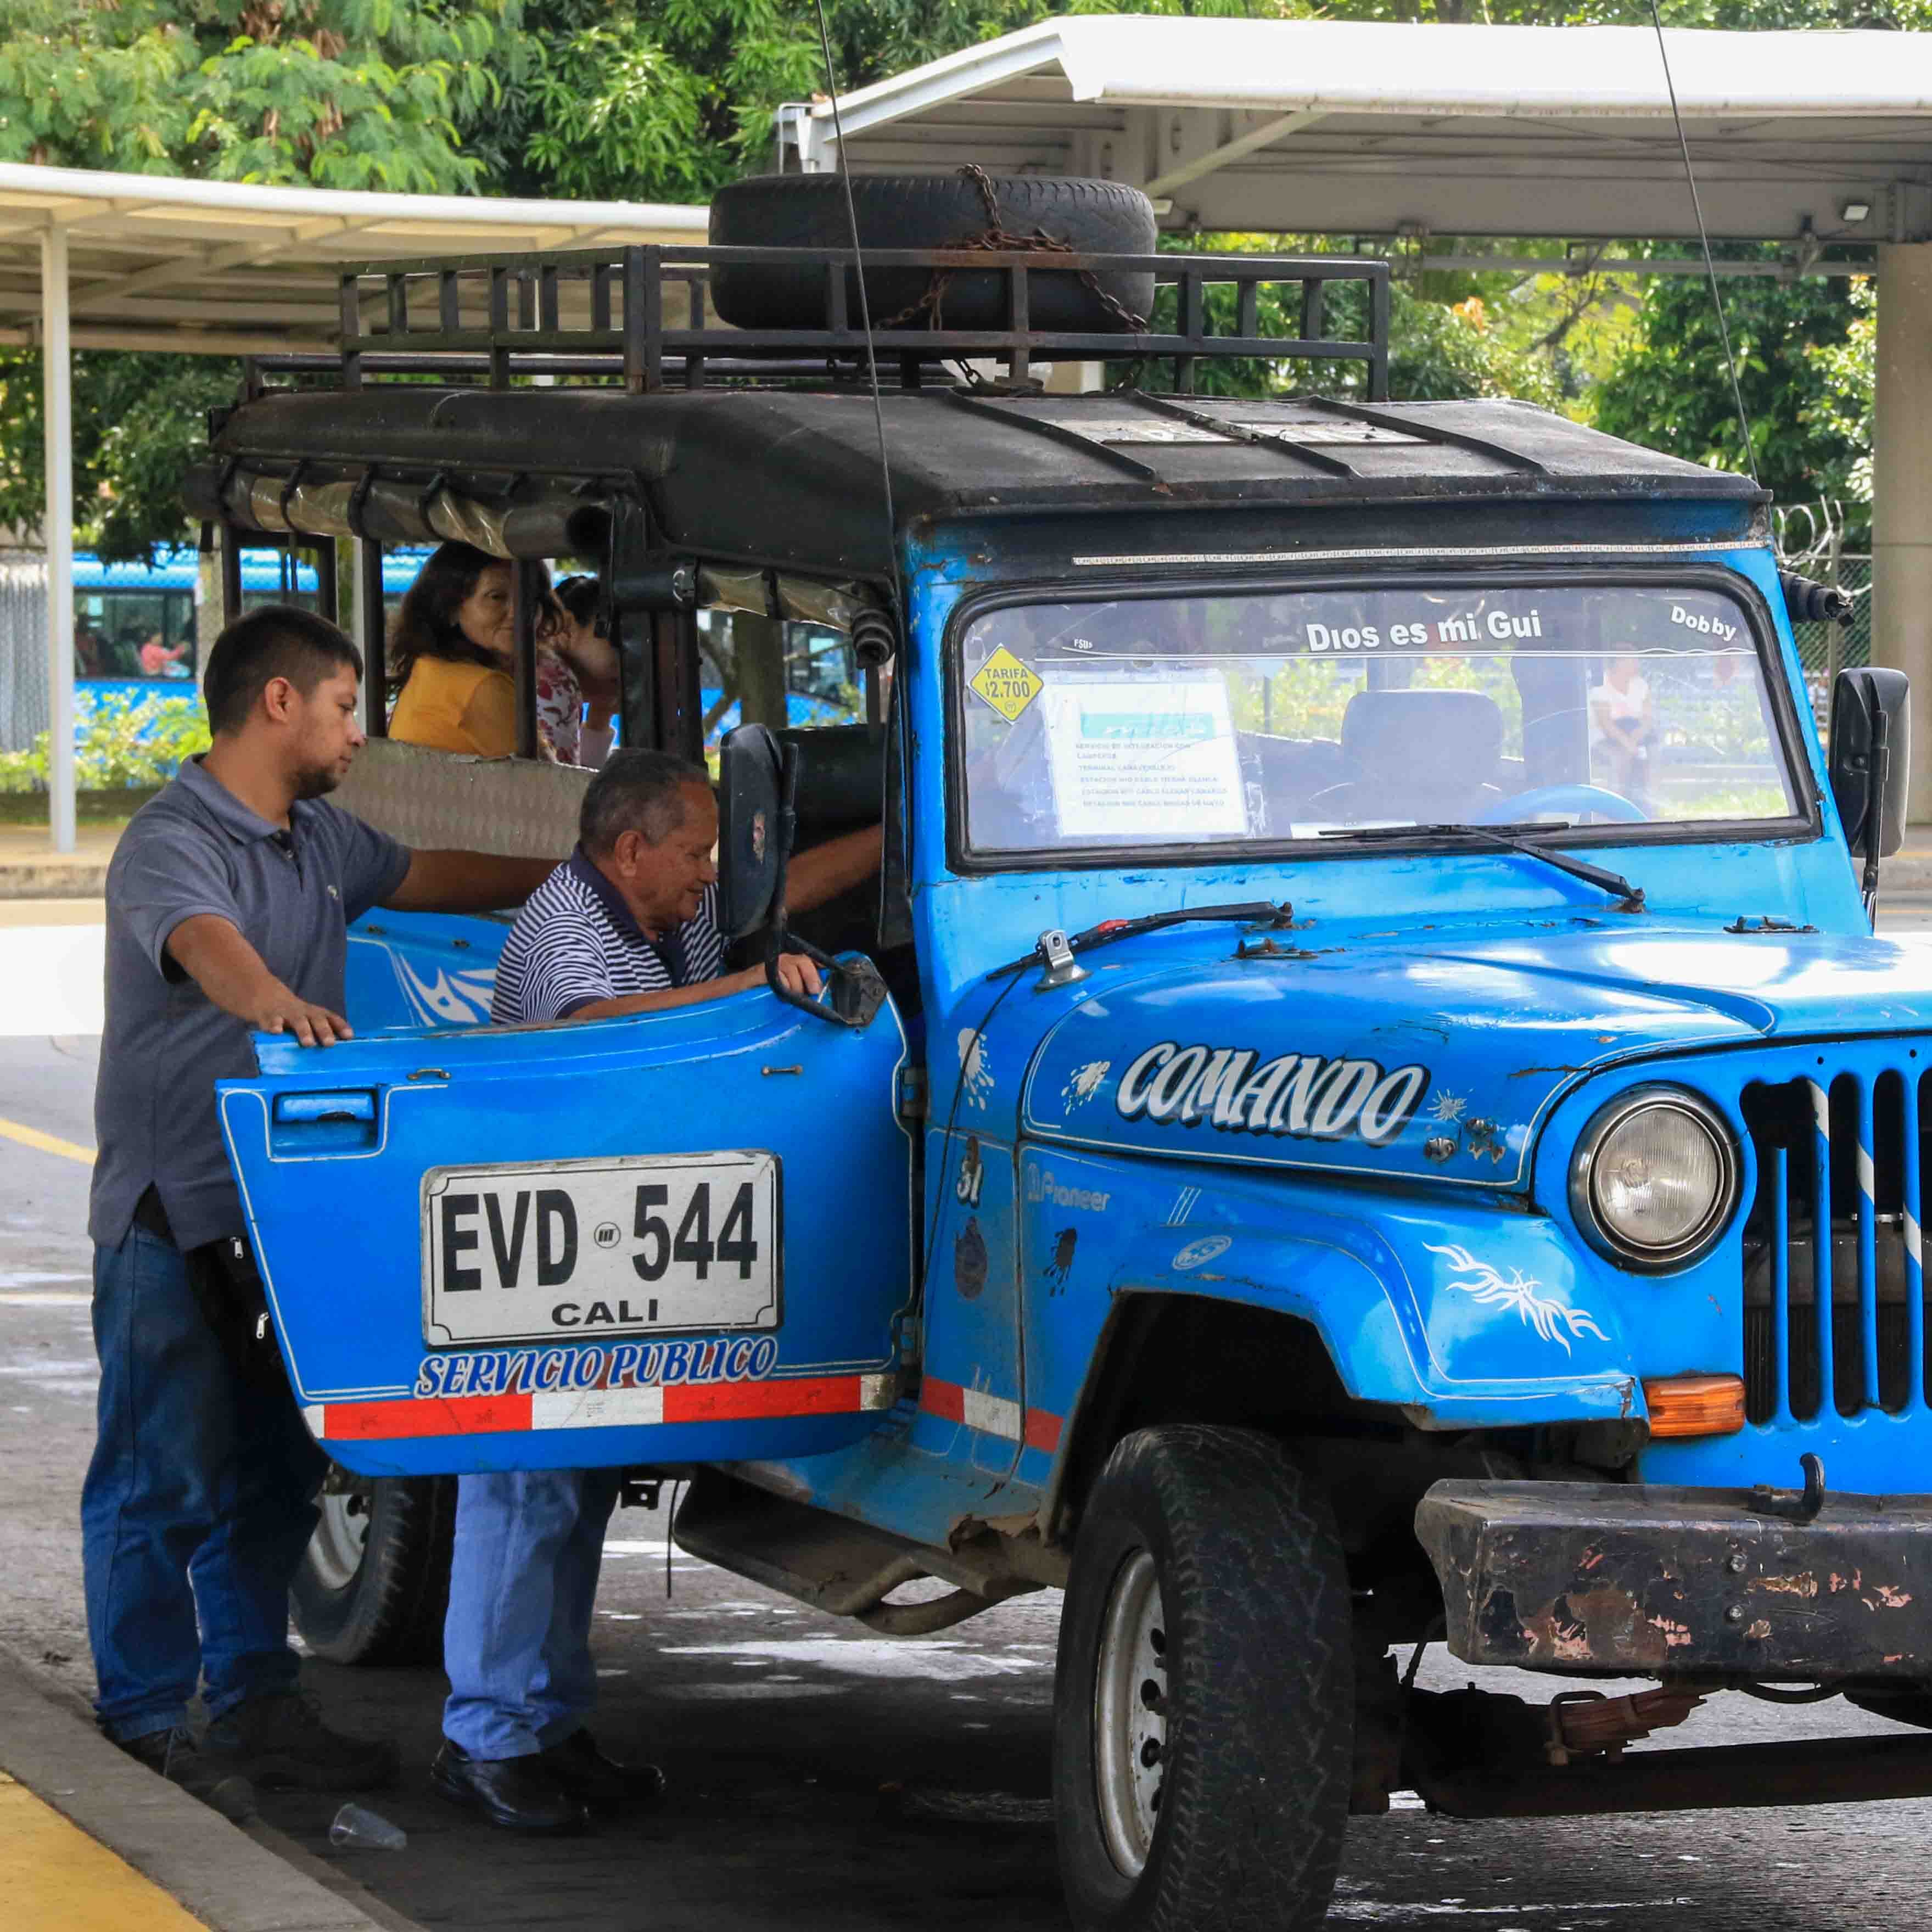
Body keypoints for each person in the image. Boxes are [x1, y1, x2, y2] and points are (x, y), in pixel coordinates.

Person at [86, 604, 560, 1821]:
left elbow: (431, 874)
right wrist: (276, 1004)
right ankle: (144, 1715)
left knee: (275, 1475)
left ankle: (255, 1698)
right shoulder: (172, 839)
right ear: (278, 701)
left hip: (287, 1219)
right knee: (158, 1479)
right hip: (174, 1214)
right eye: (347, 707)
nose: (359, 730)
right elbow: (205, 944)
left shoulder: (321, 838)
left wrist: (576, 873)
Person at [434, 749, 881, 1834]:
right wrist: (752, 985)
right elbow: (599, 1026)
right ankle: (483, 1738)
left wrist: (900, 830)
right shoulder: (566, 928)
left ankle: (546, 1723)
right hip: (535, 1246)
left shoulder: (661, 910)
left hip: (606, 1241)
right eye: (695, 851)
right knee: (523, 1492)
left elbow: (783, 891)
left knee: (575, 1493)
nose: (708, 873)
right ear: (631, 849)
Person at [387, 542, 584, 763]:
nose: (517, 611)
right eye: (496, 597)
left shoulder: (430, 668)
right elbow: (547, 780)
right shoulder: (480, 687)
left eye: (529, 596)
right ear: (450, 609)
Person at [546, 574, 621, 767]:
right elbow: (566, 782)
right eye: (620, 638)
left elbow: (575, 773)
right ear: (567, 628)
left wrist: (601, 715)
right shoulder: (552, 681)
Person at [1589, 651, 1656, 803]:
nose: (1637, 664)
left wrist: (1635, 738)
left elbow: (1647, 718)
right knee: (1619, 757)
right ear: (1618, 663)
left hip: (1635, 735)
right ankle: (1617, 804)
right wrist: (1627, 743)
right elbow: (1605, 723)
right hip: (1605, 738)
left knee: (1653, 753)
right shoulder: (1600, 685)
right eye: (1633, 661)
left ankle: (1648, 802)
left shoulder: (1640, 684)